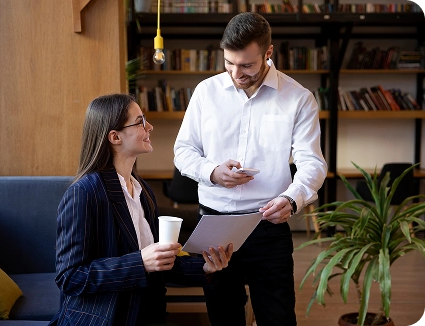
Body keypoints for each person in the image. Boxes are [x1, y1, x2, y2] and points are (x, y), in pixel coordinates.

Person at [173, 12, 327, 326]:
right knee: (224, 316)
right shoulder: (206, 92)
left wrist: (293, 199)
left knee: (278, 317)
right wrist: (213, 171)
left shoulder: (299, 99)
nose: (235, 73)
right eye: (229, 63)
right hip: (215, 225)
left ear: (268, 54)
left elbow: (312, 163)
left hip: (267, 226)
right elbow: (183, 151)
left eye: (246, 65)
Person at [49, 94, 233, 326]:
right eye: (140, 121)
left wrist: (205, 267)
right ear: (115, 137)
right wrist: (140, 262)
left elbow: (159, 261)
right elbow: (70, 277)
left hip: (147, 314)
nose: (150, 126)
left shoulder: (141, 190)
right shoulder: (85, 193)